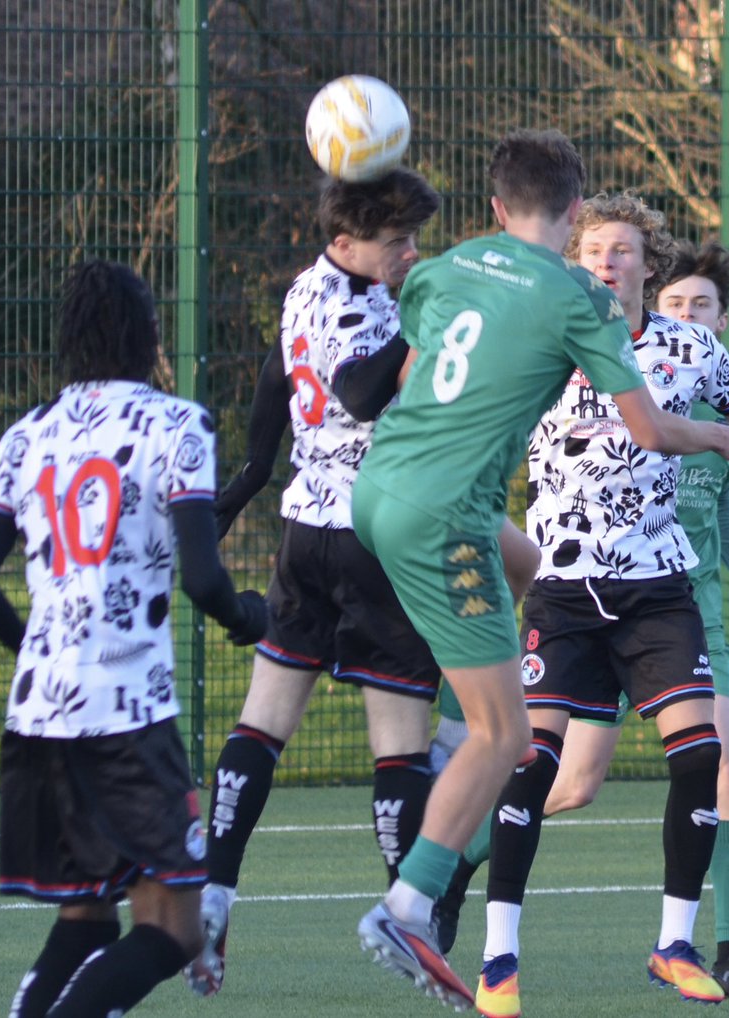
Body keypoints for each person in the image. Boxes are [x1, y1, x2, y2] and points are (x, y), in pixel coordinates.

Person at [350, 132, 729, 1011]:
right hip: (453, 515)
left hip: (387, 490)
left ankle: (455, 737)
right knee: (513, 745)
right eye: (597, 242)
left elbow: (395, 375)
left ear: (496, 209)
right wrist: (724, 439)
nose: (609, 260)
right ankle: (412, 901)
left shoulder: (453, 267)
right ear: (574, 218)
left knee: (530, 570)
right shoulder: (576, 300)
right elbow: (653, 430)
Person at [471, 193, 729, 1018]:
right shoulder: (536, 347)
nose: (606, 263)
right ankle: (498, 960)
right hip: (562, 590)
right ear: (570, 261)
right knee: (536, 763)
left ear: (647, 266)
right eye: (593, 250)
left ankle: (674, 945)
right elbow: (472, 439)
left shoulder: (691, 350)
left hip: (659, 587)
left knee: (701, 754)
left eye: (622, 251)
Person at [0, 259, 269, 1017]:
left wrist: (36, 647)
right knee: (176, 930)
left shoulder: (26, 435)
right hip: (127, 719)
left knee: (85, 921)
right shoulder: (176, 425)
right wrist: (249, 619)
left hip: (41, 718)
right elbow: (204, 580)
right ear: (148, 335)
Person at [190, 168, 447, 996]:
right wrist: (418, 326)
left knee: (262, 722)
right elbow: (360, 392)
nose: (408, 253)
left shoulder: (304, 285)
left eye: (413, 239)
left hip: (305, 535)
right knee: (401, 741)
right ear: (345, 243)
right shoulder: (358, 304)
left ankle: (215, 890)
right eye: (393, 241)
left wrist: (246, 482)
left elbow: (274, 378)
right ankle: (410, 922)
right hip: (375, 534)